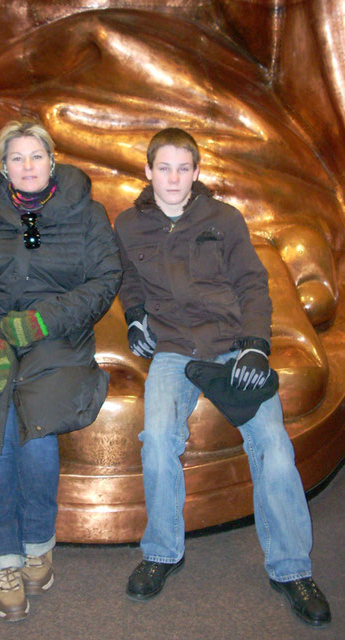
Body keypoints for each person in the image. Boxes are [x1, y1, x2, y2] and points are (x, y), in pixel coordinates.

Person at [114, 127, 331, 627]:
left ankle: (291, 568)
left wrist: (256, 345)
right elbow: (126, 278)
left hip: (233, 347)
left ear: (196, 172)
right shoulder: (127, 226)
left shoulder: (224, 219)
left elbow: (254, 283)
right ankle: (162, 552)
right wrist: (134, 316)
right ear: (148, 172)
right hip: (172, 350)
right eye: (163, 168)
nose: (173, 178)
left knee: (274, 444)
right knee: (158, 440)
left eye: (183, 168)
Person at [0, 120, 121, 622]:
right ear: (4, 168)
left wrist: (44, 319)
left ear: (53, 159)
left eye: (36, 156)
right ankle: (2, 561)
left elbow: (105, 278)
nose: (28, 166)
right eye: (16, 158)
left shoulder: (88, 213)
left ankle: (37, 544)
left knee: (38, 426)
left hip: (57, 337)